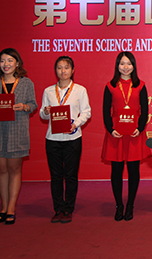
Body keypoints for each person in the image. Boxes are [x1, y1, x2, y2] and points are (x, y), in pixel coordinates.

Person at [0, 48, 37, 225]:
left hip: (17, 130)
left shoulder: (26, 83)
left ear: (17, 63)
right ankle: (3, 207)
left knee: (14, 169)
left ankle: (11, 208)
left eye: (9, 60)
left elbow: (33, 104)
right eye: (2, 61)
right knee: (1, 169)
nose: (5, 64)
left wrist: (24, 106)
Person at [40, 56, 91, 223]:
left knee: (70, 175)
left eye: (66, 67)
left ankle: (68, 209)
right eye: (60, 68)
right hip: (52, 138)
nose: (63, 71)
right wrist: (45, 112)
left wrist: (75, 124)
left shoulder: (80, 90)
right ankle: (58, 208)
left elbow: (86, 112)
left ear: (73, 70)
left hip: (73, 138)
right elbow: (42, 114)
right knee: (55, 176)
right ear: (55, 71)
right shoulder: (48, 91)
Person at [101, 52, 150, 221]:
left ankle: (130, 205)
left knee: (134, 170)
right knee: (116, 170)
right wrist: (110, 129)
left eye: (129, 63)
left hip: (134, 133)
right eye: (122, 63)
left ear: (134, 66)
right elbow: (106, 109)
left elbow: (145, 109)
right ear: (117, 66)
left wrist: (140, 128)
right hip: (116, 133)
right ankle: (119, 205)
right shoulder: (110, 86)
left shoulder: (140, 85)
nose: (125, 67)